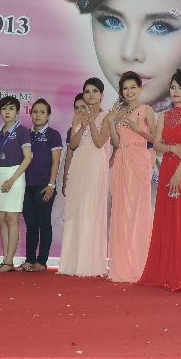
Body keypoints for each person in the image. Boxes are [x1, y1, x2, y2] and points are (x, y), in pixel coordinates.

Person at [138, 69, 181, 289]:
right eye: (173, 87)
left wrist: (178, 173)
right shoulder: (163, 115)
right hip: (167, 168)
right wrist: (172, 148)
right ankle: (165, 271)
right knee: (166, 219)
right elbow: (157, 144)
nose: (176, 91)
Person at [105, 71, 157, 282]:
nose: (129, 92)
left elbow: (157, 137)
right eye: (125, 88)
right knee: (121, 209)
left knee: (137, 210)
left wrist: (139, 129)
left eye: (132, 87)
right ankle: (121, 264)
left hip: (139, 159)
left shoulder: (147, 110)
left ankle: (139, 262)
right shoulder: (120, 113)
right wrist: (111, 122)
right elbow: (117, 143)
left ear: (139, 88)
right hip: (122, 160)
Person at [58, 78, 111, 277]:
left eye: (94, 91)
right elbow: (72, 144)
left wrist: (91, 123)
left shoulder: (107, 116)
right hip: (78, 162)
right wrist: (82, 124)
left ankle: (88, 263)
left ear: (102, 94)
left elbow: (99, 142)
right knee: (76, 209)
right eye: (87, 91)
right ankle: (72, 263)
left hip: (95, 163)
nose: (91, 95)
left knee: (90, 208)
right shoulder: (77, 117)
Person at [0, 96, 31, 272]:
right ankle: (6, 260)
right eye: (4, 108)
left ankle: (9, 260)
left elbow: (27, 158)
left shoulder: (22, 131)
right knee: (1, 219)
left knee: (11, 219)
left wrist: (12, 180)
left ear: (17, 112)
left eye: (11, 109)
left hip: (15, 175)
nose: (7, 112)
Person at [18, 99, 63, 272]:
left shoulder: (53, 135)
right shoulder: (25, 134)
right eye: (35, 112)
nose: (38, 115)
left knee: (44, 223)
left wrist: (51, 185)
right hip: (25, 186)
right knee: (30, 224)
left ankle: (42, 261)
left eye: (42, 112)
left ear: (48, 115)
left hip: (44, 186)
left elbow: (56, 161)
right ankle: (29, 260)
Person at [62, 93, 87, 198]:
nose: (79, 110)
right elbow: (69, 156)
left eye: (83, 107)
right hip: (75, 171)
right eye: (77, 108)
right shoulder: (71, 131)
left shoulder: (96, 127)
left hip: (90, 170)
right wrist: (65, 181)